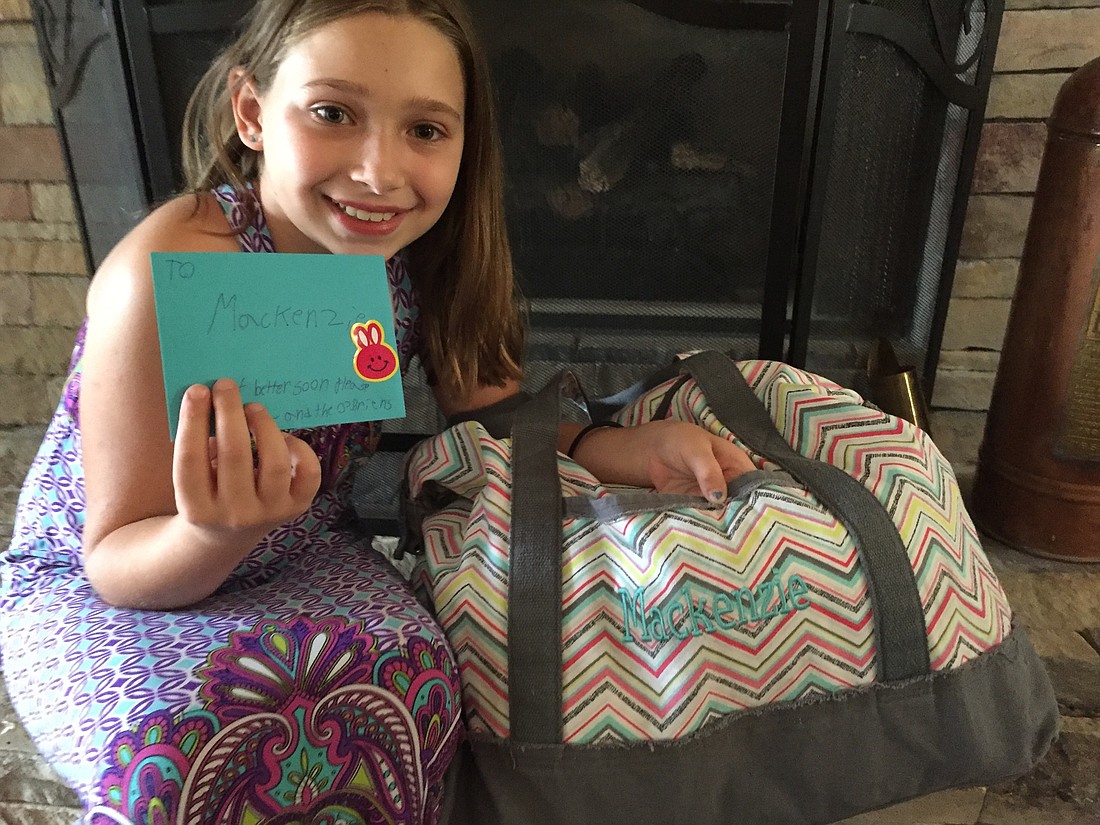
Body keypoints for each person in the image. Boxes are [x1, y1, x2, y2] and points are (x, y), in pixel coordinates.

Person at [0, 0, 754, 822]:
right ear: (251, 112)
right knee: (188, 752)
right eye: (332, 113)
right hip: (114, 579)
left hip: (304, 551)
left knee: (421, 690)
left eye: (425, 130)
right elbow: (113, 559)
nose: (378, 171)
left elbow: (494, 414)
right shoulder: (165, 270)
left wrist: (620, 446)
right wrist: (213, 532)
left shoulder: (419, 256)